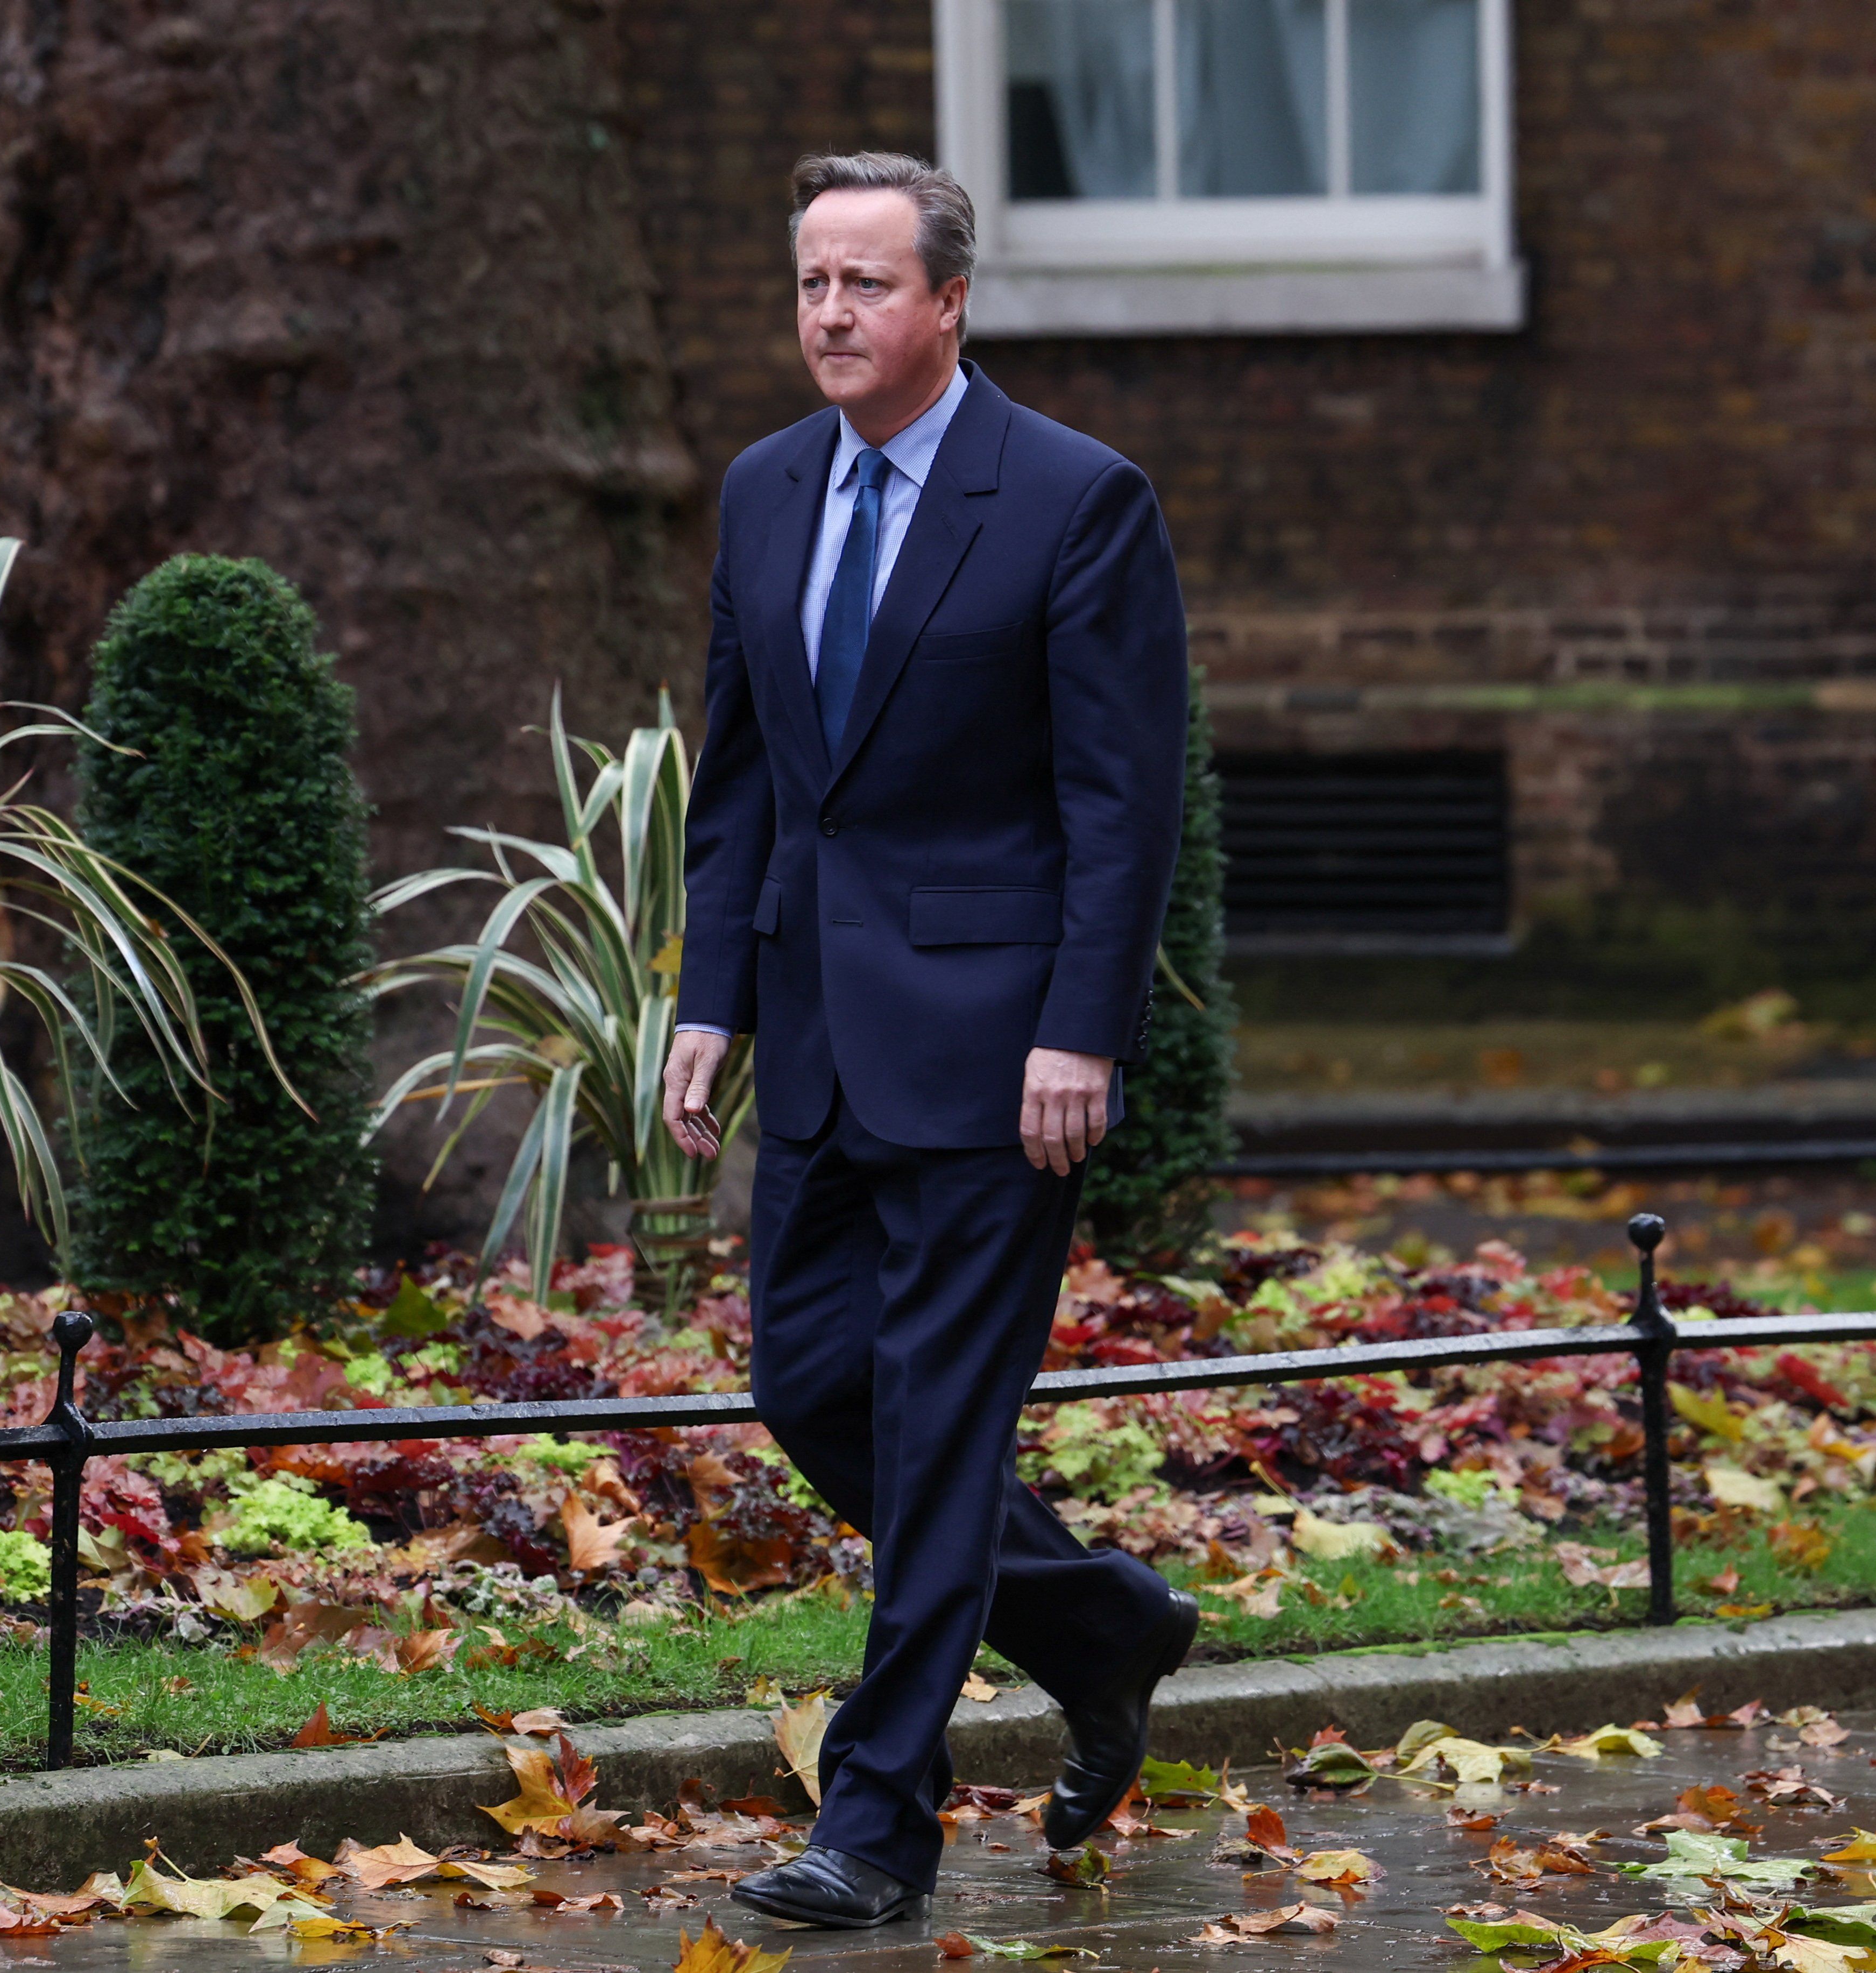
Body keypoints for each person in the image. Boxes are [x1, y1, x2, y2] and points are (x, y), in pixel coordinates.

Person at [662, 151, 1195, 1931]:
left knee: (941, 1420)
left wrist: (1080, 1030)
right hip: (813, 1041)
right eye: (810, 280)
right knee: (810, 1384)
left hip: (994, 1059)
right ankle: (1099, 1622)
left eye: (866, 284)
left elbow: (1120, 804)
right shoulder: (757, 494)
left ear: (947, 304)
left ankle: (876, 1818)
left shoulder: (1072, 500)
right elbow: (742, 778)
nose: (829, 312)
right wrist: (706, 997)